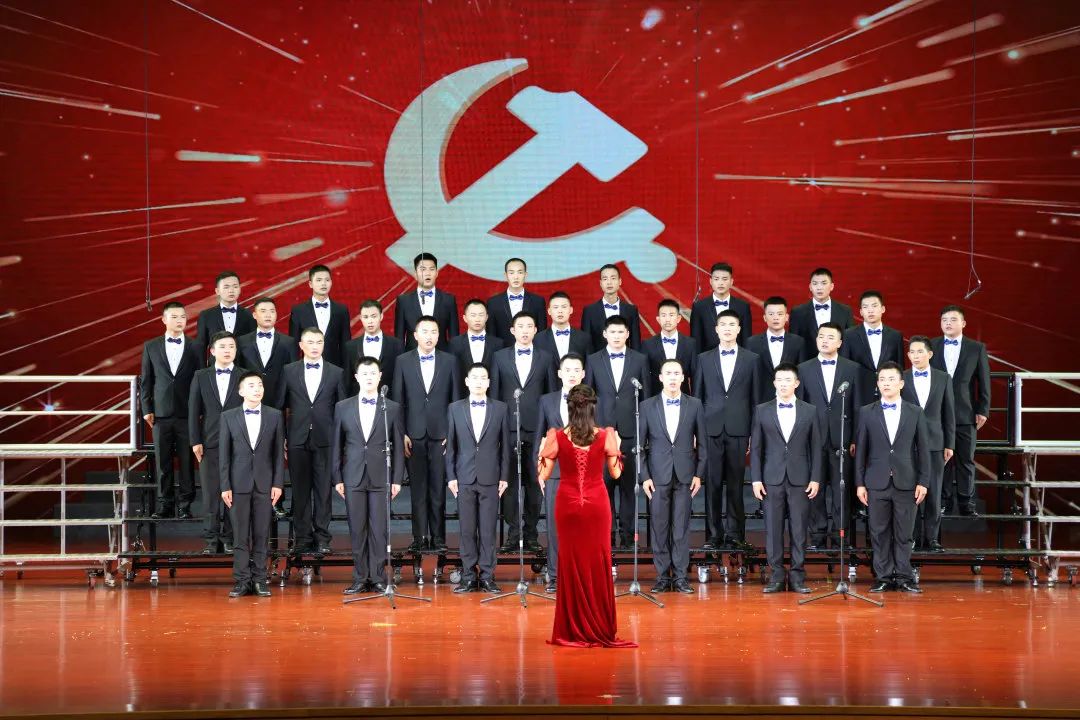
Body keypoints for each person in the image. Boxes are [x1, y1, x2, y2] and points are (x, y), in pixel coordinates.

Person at [538, 385, 637, 649]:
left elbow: (543, 475)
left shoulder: (556, 436)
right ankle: (599, 625)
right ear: (593, 408)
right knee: (597, 562)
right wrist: (618, 451)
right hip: (596, 506)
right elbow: (616, 473)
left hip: (567, 505)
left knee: (570, 563)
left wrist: (542, 453)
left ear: (569, 408)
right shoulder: (606, 436)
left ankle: (572, 628)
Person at [855, 362, 931, 593]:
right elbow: (861, 450)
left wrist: (923, 481)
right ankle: (883, 577)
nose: (886, 383)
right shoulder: (866, 412)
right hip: (876, 481)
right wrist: (860, 483)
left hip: (906, 481)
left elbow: (924, 450)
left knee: (904, 533)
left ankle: (905, 576)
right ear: (878, 384)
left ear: (901, 383)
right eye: (882, 379)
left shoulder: (915, 412)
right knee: (878, 532)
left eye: (891, 379)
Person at [331, 357, 405, 595]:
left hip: (381, 475)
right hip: (352, 475)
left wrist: (397, 478)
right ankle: (360, 578)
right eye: (364, 373)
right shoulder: (342, 406)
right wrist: (337, 477)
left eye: (373, 373)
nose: (369, 377)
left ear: (380, 376)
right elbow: (336, 444)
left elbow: (398, 446)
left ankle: (379, 577)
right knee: (357, 528)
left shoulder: (391, 407)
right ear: (356, 377)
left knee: (379, 529)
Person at [750, 362, 823, 594]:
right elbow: (757, 448)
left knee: (799, 529)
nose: (783, 384)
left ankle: (798, 576)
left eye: (787, 380)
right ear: (774, 383)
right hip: (771, 478)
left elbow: (816, 448)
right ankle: (776, 576)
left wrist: (815, 478)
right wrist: (756, 479)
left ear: (796, 383)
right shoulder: (762, 410)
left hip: (801, 478)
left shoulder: (810, 410)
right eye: (779, 380)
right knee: (773, 530)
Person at [391, 315, 462, 551]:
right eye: (425, 331)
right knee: (418, 490)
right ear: (415, 335)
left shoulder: (450, 361)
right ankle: (419, 537)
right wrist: (401, 433)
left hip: (442, 436)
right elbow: (398, 401)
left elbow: (456, 401)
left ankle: (439, 539)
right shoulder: (402, 361)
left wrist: (453, 433)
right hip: (413, 435)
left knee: (438, 490)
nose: (429, 336)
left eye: (433, 332)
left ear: (439, 335)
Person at [692, 310, 759, 550]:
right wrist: (695, 431)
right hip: (710, 430)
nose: (728, 328)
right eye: (724, 324)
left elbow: (756, 400)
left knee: (735, 484)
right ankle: (713, 535)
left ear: (739, 329)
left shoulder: (752, 359)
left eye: (732, 324)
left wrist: (753, 433)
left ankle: (735, 534)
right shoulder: (703, 358)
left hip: (739, 429)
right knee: (711, 485)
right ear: (717, 329)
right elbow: (697, 399)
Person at [489, 311, 556, 551]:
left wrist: (549, 431)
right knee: (509, 483)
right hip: (508, 428)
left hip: (537, 430)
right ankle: (512, 534)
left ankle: (531, 534)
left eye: (530, 326)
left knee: (535, 483)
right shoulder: (499, 357)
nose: (525, 331)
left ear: (536, 330)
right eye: (521, 326)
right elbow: (495, 395)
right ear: (512, 330)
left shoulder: (546, 357)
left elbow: (551, 394)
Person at [585, 315, 651, 550]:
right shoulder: (593, 360)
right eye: (612, 332)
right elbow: (588, 398)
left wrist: (644, 432)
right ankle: (607, 534)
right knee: (603, 487)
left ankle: (628, 537)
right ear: (605, 334)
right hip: (602, 435)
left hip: (631, 433)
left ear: (628, 334)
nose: (616, 336)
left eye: (621, 332)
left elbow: (646, 399)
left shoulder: (640, 359)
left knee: (629, 488)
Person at [640, 359, 706, 594]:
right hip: (657, 476)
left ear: (683, 377)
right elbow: (640, 446)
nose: (672, 377)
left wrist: (699, 474)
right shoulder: (647, 406)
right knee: (659, 527)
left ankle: (680, 577)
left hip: (685, 475)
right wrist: (645, 476)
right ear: (660, 377)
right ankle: (661, 576)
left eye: (676, 373)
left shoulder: (695, 404)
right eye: (668, 373)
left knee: (681, 529)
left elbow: (703, 443)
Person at [797, 322, 864, 550]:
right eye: (821, 336)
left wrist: (855, 438)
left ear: (840, 342)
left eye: (830, 337)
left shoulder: (852, 368)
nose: (825, 340)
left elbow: (857, 406)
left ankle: (839, 536)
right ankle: (817, 535)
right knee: (813, 489)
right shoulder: (804, 368)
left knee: (841, 490)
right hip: (812, 438)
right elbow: (801, 406)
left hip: (842, 439)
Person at [446, 363, 510, 594]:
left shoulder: (500, 408)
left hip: (490, 476)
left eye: (483, 377)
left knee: (488, 530)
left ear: (489, 382)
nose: (479, 381)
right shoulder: (454, 408)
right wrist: (451, 475)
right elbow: (451, 445)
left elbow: (505, 445)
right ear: (467, 381)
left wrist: (504, 475)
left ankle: (487, 576)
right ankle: (467, 576)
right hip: (463, 476)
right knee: (466, 530)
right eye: (475, 377)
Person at [219, 370, 284, 598]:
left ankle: (259, 580)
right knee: (240, 535)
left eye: (260, 385)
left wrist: (278, 483)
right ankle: (241, 581)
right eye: (251, 385)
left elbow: (278, 454)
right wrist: (225, 486)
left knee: (261, 534)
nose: (257, 389)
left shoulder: (275, 415)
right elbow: (224, 455)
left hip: (265, 484)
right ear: (241, 391)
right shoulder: (228, 416)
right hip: (237, 484)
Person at [281, 327, 346, 554]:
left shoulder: (336, 372)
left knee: (323, 491)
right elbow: (280, 405)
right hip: (297, 437)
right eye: (310, 342)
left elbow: (342, 409)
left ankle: (322, 538)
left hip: (326, 439)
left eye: (319, 342)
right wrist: (282, 437)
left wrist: (342, 440)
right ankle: (302, 538)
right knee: (300, 491)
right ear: (301, 345)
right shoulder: (289, 371)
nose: (315, 346)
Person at [141, 302, 203, 519]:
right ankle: (164, 505)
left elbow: (200, 380)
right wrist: (146, 408)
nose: (179, 321)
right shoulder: (151, 346)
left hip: (187, 413)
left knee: (187, 461)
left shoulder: (196, 346)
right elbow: (146, 381)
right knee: (163, 462)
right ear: (164, 320)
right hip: (160, 414)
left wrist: (199, 409)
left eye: (183, 317)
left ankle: (185, 505)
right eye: (174, 317)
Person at [931, 305, 990, 517]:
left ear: (963, 323)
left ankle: (966, 502)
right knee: (942, 460)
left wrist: (983, 410)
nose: (948, 323)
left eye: (953, 319)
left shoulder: (976, 348)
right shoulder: (932, 345)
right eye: (944, 320)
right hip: (937, 415)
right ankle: (944, 501)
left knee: (966, 459)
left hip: (966, 413)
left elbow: (984, 381)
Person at [534, 352, 586, 594]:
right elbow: (539, 436)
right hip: (555, 472)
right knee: (555, 525)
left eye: (576, 370)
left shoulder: (593, 400)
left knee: (582, 525)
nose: (572, 374)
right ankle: (555, 576)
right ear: (559, 373)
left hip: (583, 472)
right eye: (568, 370)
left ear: (583, 374)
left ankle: (580, 575)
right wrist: (540, 471)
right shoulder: (547, 401)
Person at [189, 331, 243, 554]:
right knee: (211, 494)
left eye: (231, 346)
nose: (227, 350)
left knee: (234, 493)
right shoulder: (201, 375)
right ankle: (211, 540)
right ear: (212, 351)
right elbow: (193, 410)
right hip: (209, 442)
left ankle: (229, 538)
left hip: (238, 443)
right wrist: (195, 440)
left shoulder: (245, 375)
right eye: (222, 346)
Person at [902, 336, 955, 552]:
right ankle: (912, 537)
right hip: (908, 444)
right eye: (912, 352)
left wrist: (949, 444)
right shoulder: (902, 377)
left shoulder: (943, 378)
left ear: (930, 354)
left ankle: (932, 538)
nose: (915, 356)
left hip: (935, 443)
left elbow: (949, 413)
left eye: (920, 352)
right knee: (910, 492)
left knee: (933, 492)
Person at [841, 290, 904, 401]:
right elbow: (845, 367)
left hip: (888, 394)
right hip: (859, 393)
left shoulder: (895, 336)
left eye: (874, 306)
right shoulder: (849, 335)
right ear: (861, 312)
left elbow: (900, 368)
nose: (870, 310)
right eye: (865, 307)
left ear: (883, 309)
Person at [236, 297, 297, 411]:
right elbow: (238, 372)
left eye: (272, 311)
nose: (268, 315)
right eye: (263, 311)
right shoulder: (241, 341)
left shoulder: (289, 342)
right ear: (254, 315)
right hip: (248, 402)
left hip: (279, 402)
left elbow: (293, 375)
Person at [745, 296, 808, 403]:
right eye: (771, 314)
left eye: (780, 314)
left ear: (786, 317)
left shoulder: (798, 342)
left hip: (790, 400)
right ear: (764, 317)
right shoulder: (752, 343)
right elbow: (748, 376)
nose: (775, 318)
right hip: (761, 400)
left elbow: (801, 375)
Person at [288, 265, 351, 370]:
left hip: (335, 369)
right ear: (310, 284)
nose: (323, 283)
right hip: (306, 369)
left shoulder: (341, 310)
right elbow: (293, 347)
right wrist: (294, 372)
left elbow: (346, 345)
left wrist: (346, 373)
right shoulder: (299, 311)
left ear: (331, 282)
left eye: (327, 280)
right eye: (319, 280)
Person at [394, 252, 459, 350]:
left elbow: (454, 338)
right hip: (412, 356)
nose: (428, 273)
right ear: (415, 274)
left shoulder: (448, 300)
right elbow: (399, 338)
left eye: (431, 269)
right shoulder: (403, 301)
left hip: (441, 356)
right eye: (423, 269)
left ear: (437, 273)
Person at [344, 299, 404, 396]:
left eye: (374, 316)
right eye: (365, 317)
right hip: (358, 400)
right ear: (361, 318)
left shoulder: (396, 345)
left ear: (381, 316)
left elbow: (400, 378)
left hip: (388, 400)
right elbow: (347, 381)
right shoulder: (350, 346)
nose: (370, 321)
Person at [689, 262, 752, 349]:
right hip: (708, 356)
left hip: (737, 355)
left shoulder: (743, 306)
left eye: (725, 279)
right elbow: (696, 340)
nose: (720, 283)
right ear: (711, 281)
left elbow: (746, 339)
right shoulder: (699, 307)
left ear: (731, 282)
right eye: (716, 279)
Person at [641, 299, 697, 395]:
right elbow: (645, 378)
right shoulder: (647, 345)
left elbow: (695, 376)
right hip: (656, 398)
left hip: (684, 398)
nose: (667, 319)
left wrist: (695, 400)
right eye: (663, 315)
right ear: (658, 319)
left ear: (678, 318)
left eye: (671, 315)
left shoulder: (690, 344)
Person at [580, 264, 641, 351]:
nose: (609, 282)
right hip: (598, 359)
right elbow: (586, 345)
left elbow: (636, 344)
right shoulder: (589, 311)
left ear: (620, 281)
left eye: (613, 278)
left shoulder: (631, 310)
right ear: (600, 283)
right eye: (605, 279)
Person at [486, 257, 546, 345]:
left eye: (520, 272)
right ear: (505, 275)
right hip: (502, 351)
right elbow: (491, 335)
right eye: (511, 273)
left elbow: (542, 333)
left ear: (525, 274)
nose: (516, 277)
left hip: (531, 351)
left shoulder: (538, 301)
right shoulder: (493, 303)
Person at [196, 270, 255, 358]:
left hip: (242, 365)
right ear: (217, 291)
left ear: (239, 289)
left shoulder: (248, 314)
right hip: (215, 365)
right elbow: (200, 348)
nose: (231, 290)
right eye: (226, 287)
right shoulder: (206, 316)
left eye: (235, 286)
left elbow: (254, 345)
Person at [790, 267, 855, 343]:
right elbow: (794, 342)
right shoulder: (798, 312)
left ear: (831, 286)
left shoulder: (845, 311)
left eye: (824, 283)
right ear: (810, 287)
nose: (819, 287)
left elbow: (850, 340)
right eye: (815, 283)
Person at [448, 299, 505, 382]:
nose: (477, 319)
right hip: (463, 390)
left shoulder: (498, 344)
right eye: (473, 315)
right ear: (465, 318)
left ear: (486, 317)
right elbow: (452, 373)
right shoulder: (454, 343)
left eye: (481, 315)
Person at [534, 292, 590, 374]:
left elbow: (589, 369)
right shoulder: (538, 339)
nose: (560, 311)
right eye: (555, 307)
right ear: (549, 311)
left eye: (564, 307)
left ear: (571, 310)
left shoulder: (584, 338)